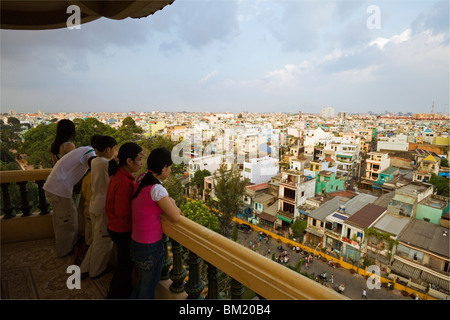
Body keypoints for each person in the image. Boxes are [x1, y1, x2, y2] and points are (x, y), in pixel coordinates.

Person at [130, 147, 183, 299]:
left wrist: (169, 200)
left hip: (136, 241)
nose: (170, 171)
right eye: (170, 168)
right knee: (148, 287)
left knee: (143, 283)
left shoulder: (142, 178)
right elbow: (176, 217)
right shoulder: (157, 189)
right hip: (149, 246)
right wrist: (172, 202)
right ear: (164, 168)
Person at [105, 142, 144, 299]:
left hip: (115, 227)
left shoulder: (120, 175)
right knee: (124, 268)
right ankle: (116, 295)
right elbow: (122, 211)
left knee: (123, 265)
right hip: (122, 229)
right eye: (139, 159)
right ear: (129, 161)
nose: (142, 163)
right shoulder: (124, 181)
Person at [43, 145, 96, 257]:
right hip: (59, 190)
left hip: (56, 188)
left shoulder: (82, 150)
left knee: (62, 220)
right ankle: (65, 251)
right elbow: (95, 167)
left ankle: (67, 248)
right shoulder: (90, 152)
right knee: (66, 221)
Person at [80, 135, 117, 278]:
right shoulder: (105, 163)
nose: (114, 152)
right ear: (108, 149)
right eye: (113, 149)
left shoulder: (95, 161)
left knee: (97, 240)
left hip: (94, 205)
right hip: (103, 207)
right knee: (103, 241)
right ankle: (96, 271)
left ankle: (85, 268)